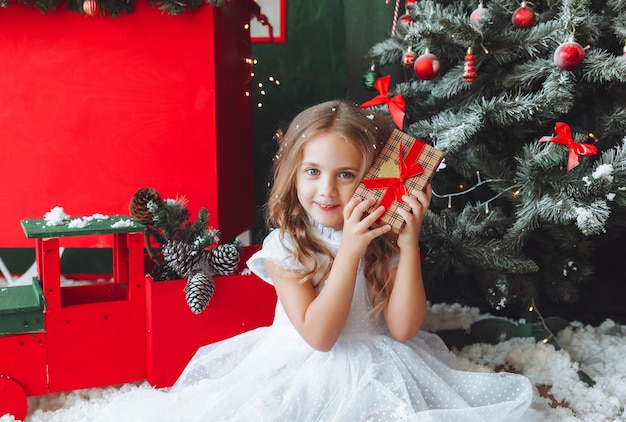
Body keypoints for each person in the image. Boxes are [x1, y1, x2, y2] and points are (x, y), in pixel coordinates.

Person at [98, 100, 551, 421]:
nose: (327, 190)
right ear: (293, 173)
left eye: (346, 175)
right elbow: (320, 336)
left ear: (370, 179)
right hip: (303, 366)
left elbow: (404, 329)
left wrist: (408, 244)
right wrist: (350, 250)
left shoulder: (384, 238)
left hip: (383, 361)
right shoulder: (286, 246)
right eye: (313, 172)